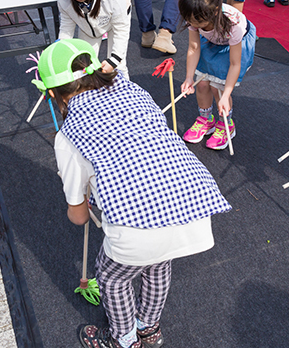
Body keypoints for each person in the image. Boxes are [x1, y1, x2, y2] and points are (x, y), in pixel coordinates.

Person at [35, 39, 231, 348]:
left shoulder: (68, 135)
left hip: (137, 227)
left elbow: (78, 214)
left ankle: (124, 340)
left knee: (113, 278)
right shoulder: (135, 93)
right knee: (158, 264)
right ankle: (148, 328)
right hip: (190, 207)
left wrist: (85, 203)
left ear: (52, 95)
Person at [179, 0, 256, 150]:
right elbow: (193, 47)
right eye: (190, 21)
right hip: (213, 41)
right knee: (202, 84)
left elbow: (235, 64)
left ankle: (226, 123)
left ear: (213, 12)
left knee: (218, 88)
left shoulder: (232, 24)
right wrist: (189, 77)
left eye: (197, 23)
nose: (192, 25)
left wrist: (226, 94)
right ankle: (206, 119)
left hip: (234, 45)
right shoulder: (194, 14)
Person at [56, 0, 132, 78]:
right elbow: (66, 22)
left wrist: (114, 59)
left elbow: (121, 28)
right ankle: (92, 95)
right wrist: (62, 48)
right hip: (87, 25)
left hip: (117, 18)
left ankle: (127, 96)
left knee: (118, 66)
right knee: (84, 66)